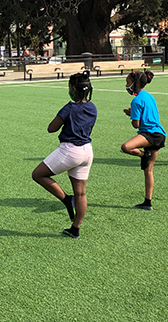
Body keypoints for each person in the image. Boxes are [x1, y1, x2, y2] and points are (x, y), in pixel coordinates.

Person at [31, 71, 97, 238]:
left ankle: (66, 199)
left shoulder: (69, 108)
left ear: (73, 89)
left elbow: (51, 128)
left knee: (38, 174)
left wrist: (66, 110)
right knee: (81, 193)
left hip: (69, 150)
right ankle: (75, 229)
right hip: (87, 151)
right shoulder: (92, 107)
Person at [121, 71, 166, 211]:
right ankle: (147, 202)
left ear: (137, 83)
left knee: (126, 147)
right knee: (148, 170)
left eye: (128, 83)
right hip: (160, 134)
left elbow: (136, 124)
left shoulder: (136, 100)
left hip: (149, 134)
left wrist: (131, 115)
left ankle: (143, 155)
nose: (127, 85)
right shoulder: (149, 96)